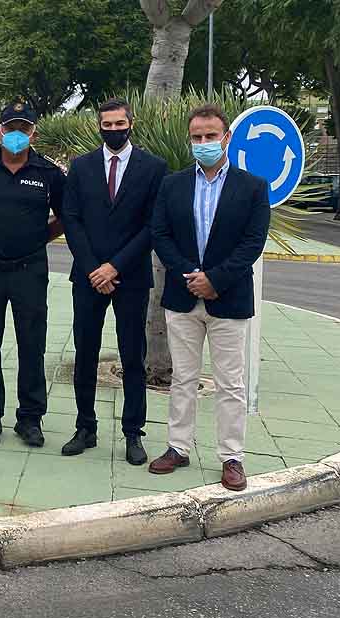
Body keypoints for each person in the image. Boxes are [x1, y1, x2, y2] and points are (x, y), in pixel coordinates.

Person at [149, 103, 270, 492]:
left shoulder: (252, 187)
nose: (204, 143)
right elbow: (160, 235)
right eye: (197, 137)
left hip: (229, 298)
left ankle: (231, 457)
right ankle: (177, 447)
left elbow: (253, 242)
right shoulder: (173, 184)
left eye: (210, 136)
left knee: (229, 383)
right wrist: (191, 276)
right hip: (183, 297)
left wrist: (215, 279)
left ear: (226, 138)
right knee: (182, 378)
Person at [59, 98, 168, 466]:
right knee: (85, 354)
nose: (114, 130)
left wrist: (114, 267)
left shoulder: (154, 167)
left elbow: (153, 225)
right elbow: (71, 220)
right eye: (107, 125)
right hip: (88, 277)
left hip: (131, 276)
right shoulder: (82, 167)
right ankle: (85, 427)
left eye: (120, 124)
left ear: (131, 124)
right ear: (98, 126)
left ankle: (133, 433)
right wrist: (94, 268)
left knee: (132, 357)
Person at [0, 102, 65, 448]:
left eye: (25, 128)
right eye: (11, 128)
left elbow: (65, 216)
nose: (18, 134)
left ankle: (30, 418)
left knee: (32, 344)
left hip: (29, 270)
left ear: (33, 132)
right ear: (0, 131)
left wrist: (38, 238)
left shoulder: (48, 173)